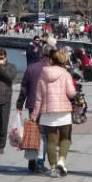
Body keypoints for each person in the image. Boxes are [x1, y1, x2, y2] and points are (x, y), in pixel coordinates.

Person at [31, 51, 77, 178]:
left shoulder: (43, 74)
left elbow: (38, 97)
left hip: (48, 112)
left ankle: (53, 168)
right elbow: (72, 93)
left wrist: (35, 114)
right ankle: (61, 162)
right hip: (64, 111)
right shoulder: (66, 74)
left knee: (51, 140)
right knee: (65, 138)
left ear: (50, 60)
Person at [16, 44, 56, 173]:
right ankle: (40, 163)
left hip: (33, 104)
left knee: (35, 132)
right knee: (45, 134)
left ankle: (32, 162)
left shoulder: (31, 68)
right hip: (50, 104)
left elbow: (24, 88)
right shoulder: (55, 68)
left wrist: (19, 104)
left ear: (41, 54)